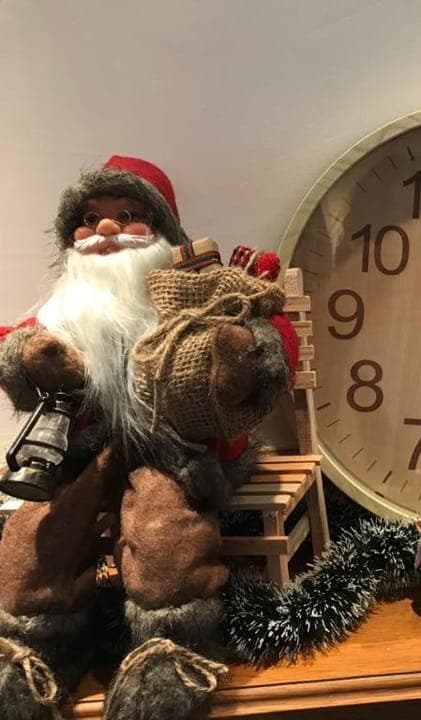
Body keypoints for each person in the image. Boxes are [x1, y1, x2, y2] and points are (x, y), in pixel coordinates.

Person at [0, 156, 294, 720]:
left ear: (162, 231)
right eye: (90, 219)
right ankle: (34, 647)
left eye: (128, 214)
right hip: (80, 457)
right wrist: (27, 358)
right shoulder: (64, 312)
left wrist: (244, 358)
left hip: (172, 452)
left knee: (165, 533)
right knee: (34, 536)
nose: (107, 230)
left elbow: (269, 337)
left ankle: (170, 650)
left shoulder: (190, 296)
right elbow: (15, 346)